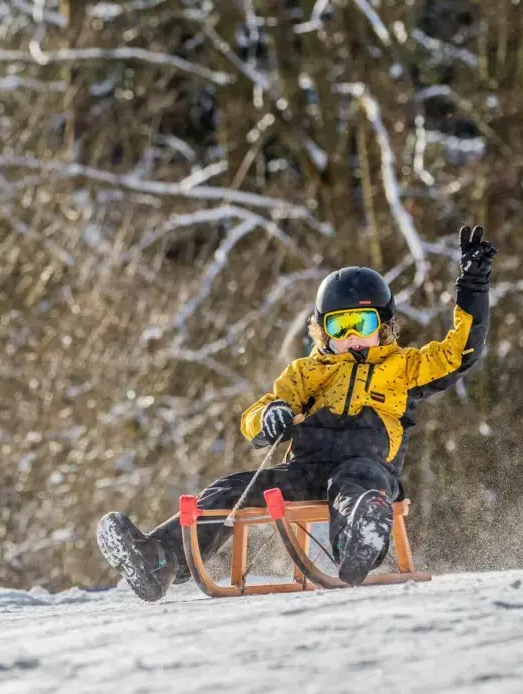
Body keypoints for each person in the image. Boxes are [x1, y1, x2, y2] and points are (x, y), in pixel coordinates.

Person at [97, 225, 496, 601]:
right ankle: (159, 559)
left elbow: (457, 352)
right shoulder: (307, 372)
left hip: (366, 465)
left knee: (356, 488)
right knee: (228, 489)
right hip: (305, 468)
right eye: (341, 327)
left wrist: (472, 288)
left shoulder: (405, 366)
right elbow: (255, 414)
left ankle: (359, 540)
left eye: (363, 322)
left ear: (385, 326)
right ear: (324, 330)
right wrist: (271, 416)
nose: (353, 335)